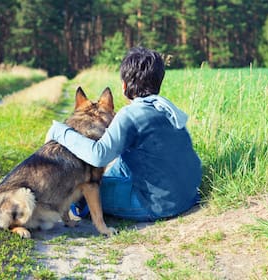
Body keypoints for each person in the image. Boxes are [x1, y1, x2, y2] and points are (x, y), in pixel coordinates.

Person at [46, 47, 202, 222]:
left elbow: (98, 155)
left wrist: (62, 131)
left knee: (80, 194)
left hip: (158, 204)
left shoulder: (130, 114)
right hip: (188, 194)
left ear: (124, 85)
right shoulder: (167, 108)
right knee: (124, 156)